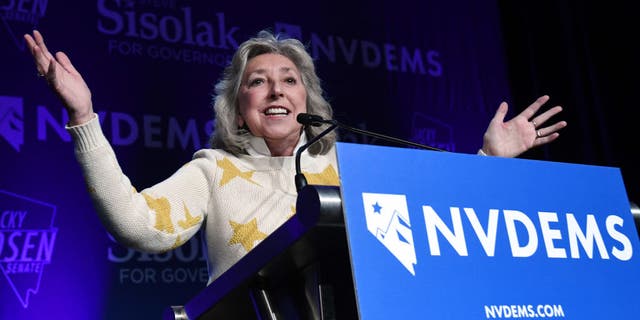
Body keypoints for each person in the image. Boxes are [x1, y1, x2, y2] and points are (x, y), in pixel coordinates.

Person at [24, 29, 567, 284]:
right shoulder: (213, 170)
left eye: (289, 80)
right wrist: (85, 117)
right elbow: (138, 225)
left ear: (309, 100)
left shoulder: (354, 170)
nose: (277, 90)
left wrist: (489, 159)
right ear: (239, 111)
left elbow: (439, 221)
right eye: (258, 83)